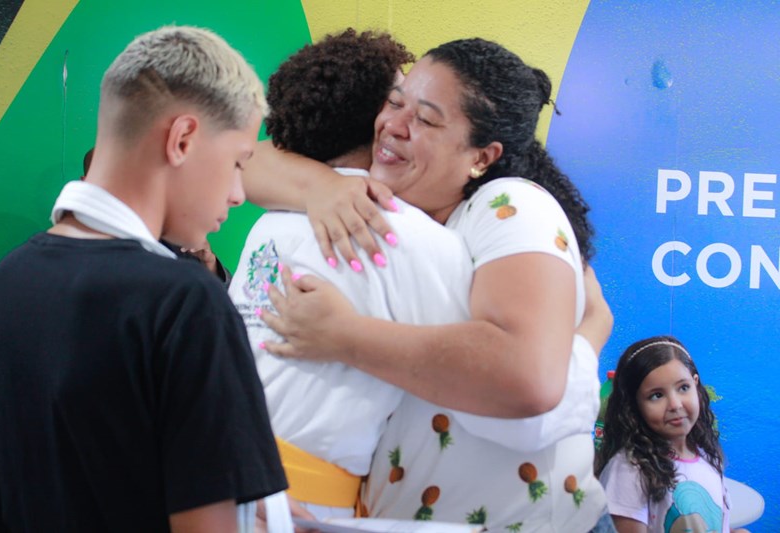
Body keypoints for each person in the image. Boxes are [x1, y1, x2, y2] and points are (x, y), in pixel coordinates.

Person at [247, 38, 614, 531]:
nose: (394, 125)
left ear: (482, 157)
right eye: (395, 103)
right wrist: (323, 186)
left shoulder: (508, 205)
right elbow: (246, 160)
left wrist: (344, 337)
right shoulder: (376, 209)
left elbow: (531, 379)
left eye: (426, 118)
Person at [0, 26, 289, 532]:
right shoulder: (186, 302)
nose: (237, 193)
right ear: (182, 139)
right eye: (238, 162)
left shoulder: (13, 277)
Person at [229, 28, 478, 520]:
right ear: (379, 124)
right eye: (399, 101)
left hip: (217, 477)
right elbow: (485, 367)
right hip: (304, 505)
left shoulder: (268, 221)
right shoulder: (408, 237)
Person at [596, 336, 742, 533]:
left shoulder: (707, 457)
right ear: (633, 405)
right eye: (656, 395)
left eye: (683, 388)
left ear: (696, 385)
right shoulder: (629, 470)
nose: (675, 404)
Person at [83, 146, 232, 283]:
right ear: (85, 183)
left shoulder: (169, 236)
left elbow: (222, 302)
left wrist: (209, 266)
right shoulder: (74, 244)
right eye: (106, 179)